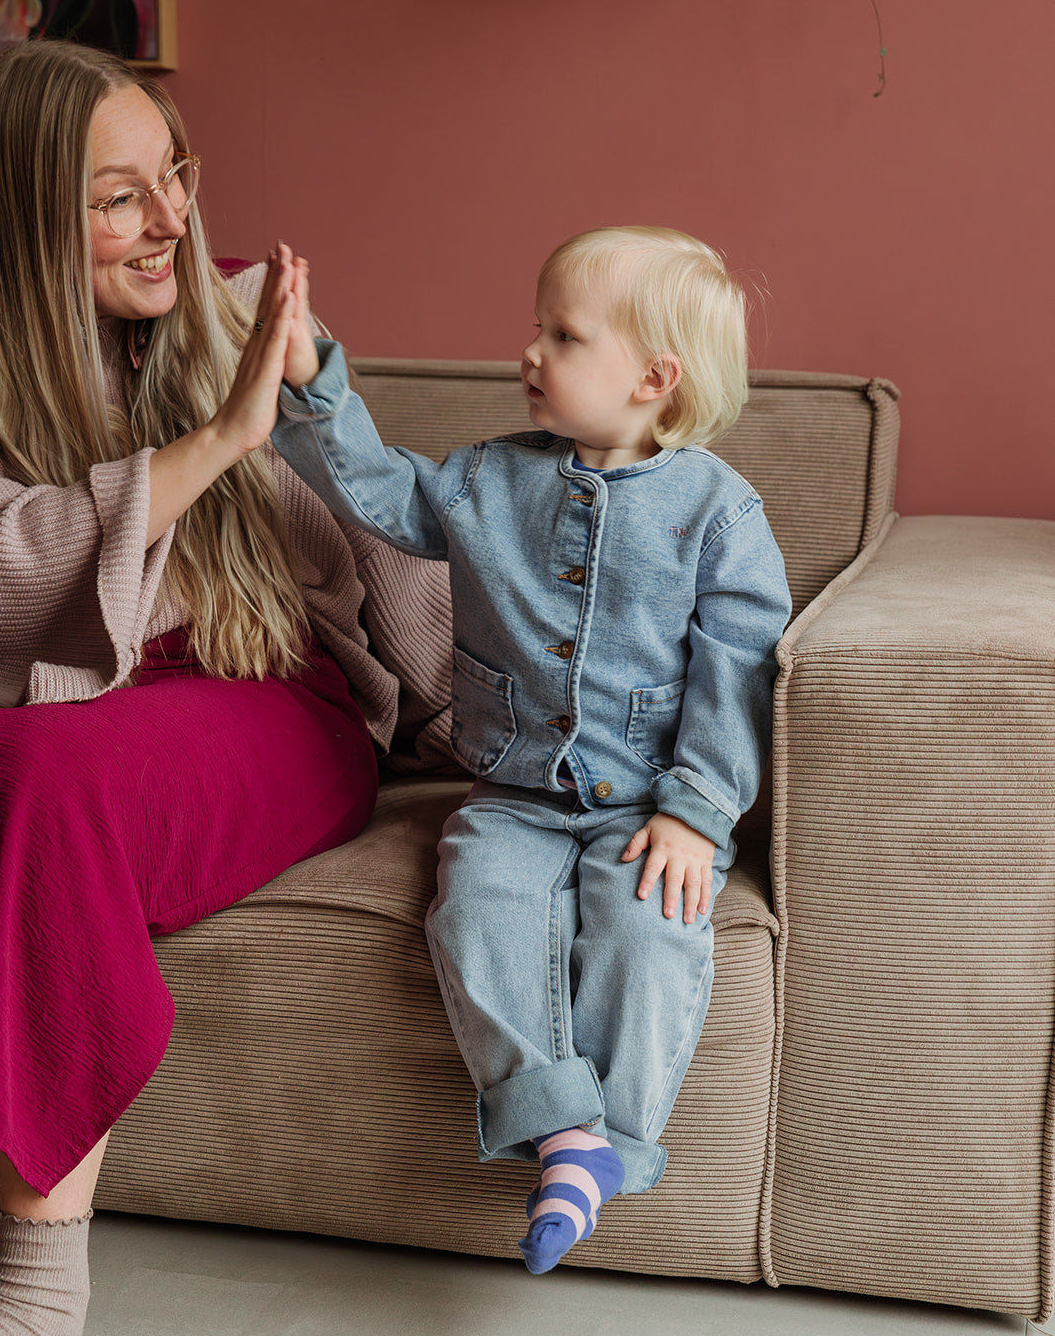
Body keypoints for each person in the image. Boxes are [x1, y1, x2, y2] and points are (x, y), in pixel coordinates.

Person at [0, 39, 401, 1336]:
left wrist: (282, 410)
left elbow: (397, 534)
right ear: (24, 219)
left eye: (173, 178)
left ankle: (39, 1286)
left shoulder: (233, 320)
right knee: (29, 763)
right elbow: (5, 574)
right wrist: (222, 434)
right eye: (116, 199)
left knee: (40, 773)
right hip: (75, 719)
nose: (169, 222)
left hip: (270, 697)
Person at [269, 225, 793, 1275]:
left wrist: (694, 813)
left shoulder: (717, 515)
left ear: (652, 377)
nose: (530, 352)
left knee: (650, 933)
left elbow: (735, 672)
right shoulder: (484, 480)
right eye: (536, 327)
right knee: (475, 907)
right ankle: (562, 1128)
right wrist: (310, 374)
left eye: (563, 334)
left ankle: (613, 1139)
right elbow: (372, 488)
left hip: (647, 802)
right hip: (509, 792)